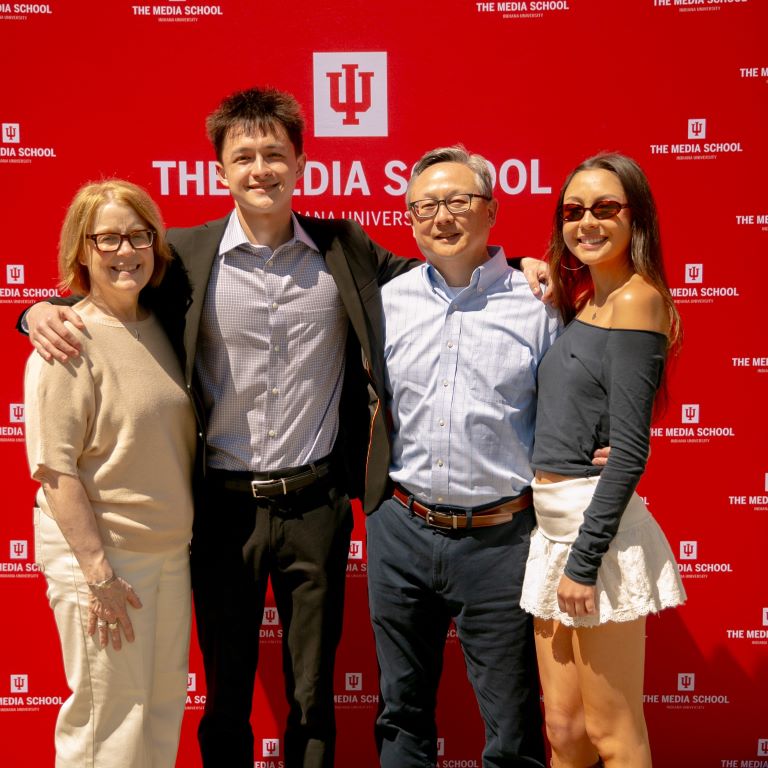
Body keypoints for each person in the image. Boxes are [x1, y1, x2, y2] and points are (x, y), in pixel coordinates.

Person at [21, 88, 548, 768]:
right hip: (218, 511)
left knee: (312, 696)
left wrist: (525, 267)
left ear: (301, 161)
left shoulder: (344, 247)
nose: (260, 168)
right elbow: (107, 291)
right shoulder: (182, 254)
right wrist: (36, 309)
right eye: (244, 156)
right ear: (220, 170)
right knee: (225, 694)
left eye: (275, 153)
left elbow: (441, 272)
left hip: (316, 506)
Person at [366, 146, 561, 768]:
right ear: (410, 218)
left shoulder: (541, 304)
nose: (441, 217)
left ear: (491, 211)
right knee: (401, 713)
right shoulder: (386, 303)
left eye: (457, 201)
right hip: (400, 528)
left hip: (502, 542)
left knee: (512, 725)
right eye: (425, 205)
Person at [519, 153, 687, 768]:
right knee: (564, 730)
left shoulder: (638, 301)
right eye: (573, 211)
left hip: (597, 537)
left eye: (605, 208)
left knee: (614, 734)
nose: (586, 222)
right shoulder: (588, 299)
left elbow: (631, 449)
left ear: (636, 217)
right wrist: (527, 265)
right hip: (552, 527)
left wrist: (585, 563)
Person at [23, 180, 196, 768]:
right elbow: (55, 470)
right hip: (105, 561)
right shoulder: (65, 340)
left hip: (169, 555)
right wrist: (98, 575)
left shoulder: (164, 322)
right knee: (106, 727)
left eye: (138, 234)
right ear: (82, 251)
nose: (126, 251)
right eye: (108, 239)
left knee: (160, 712)